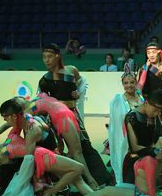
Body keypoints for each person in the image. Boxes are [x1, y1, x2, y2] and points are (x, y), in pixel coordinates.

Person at [38, 43, 112, 187]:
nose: (46, 60)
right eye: (44, 57)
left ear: (57, 56)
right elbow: (42, 101)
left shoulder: (71, 70)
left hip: (74, 115)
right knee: (62, 149)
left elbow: (81, 82)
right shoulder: (45, 79)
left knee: (85, 146)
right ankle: (73, 183)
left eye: (50, 56)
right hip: (57, 119)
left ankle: (102, 179)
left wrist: (78, 93)